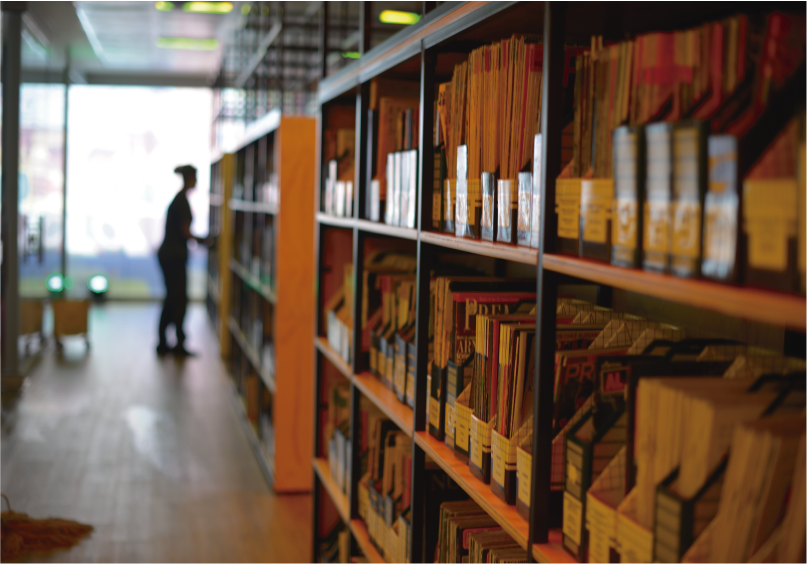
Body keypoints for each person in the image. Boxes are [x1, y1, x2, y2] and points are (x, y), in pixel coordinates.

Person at [157, 165, 208, 356]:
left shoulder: (179, 200)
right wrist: (203, 241)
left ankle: (165, 341)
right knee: (177, 299)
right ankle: (175, 342)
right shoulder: (182, 202)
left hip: (170, 256)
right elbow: (185, 232)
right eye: (195, 177)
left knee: (173, 298)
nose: (196, 181)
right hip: (173, 257)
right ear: (189, 178)